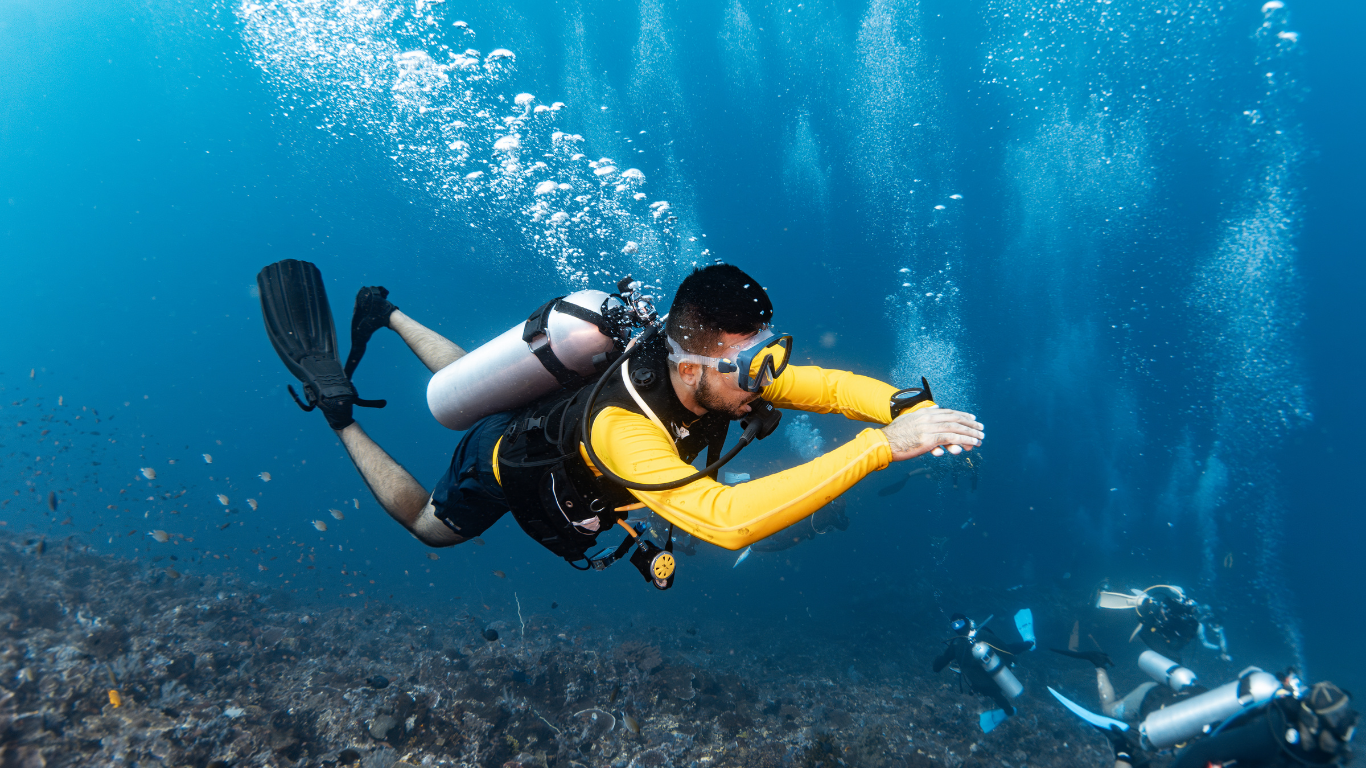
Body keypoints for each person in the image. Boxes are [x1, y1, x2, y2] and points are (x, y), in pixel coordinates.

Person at [257, 261, 984, 583]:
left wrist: (898, 402)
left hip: (543, 406)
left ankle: (384, 313)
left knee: (469, 384)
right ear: (693, 363)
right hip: (508, 463)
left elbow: (819, 384)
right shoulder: (623, 429)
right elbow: (726, 521)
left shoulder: (722, 367)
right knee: (431, 525)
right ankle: (340, 416)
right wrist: (881, 447)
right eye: (750, 363)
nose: (767, 377)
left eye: (770, 353)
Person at [933, 613, 1034, 718]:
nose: (958, 627)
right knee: (1009, 648)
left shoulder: (955, 645)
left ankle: (1010, 712)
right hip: (997, 674)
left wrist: (938, 662)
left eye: (958, 624)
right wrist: (1013, 661)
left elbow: (938, 666)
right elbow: (1006, 649)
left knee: (996, 696)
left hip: (984, 685)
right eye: (955, 625)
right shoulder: (982, 634)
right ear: (968, 622)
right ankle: (1030, 643)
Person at [1095, 585, 1229, 661]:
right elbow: (1204, 643)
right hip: (1165, 642)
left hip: (1162, 639)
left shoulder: (1196, 625)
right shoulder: (1195, 624)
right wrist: (1220, 650)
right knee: (1148, 621)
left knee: (1147, 622)